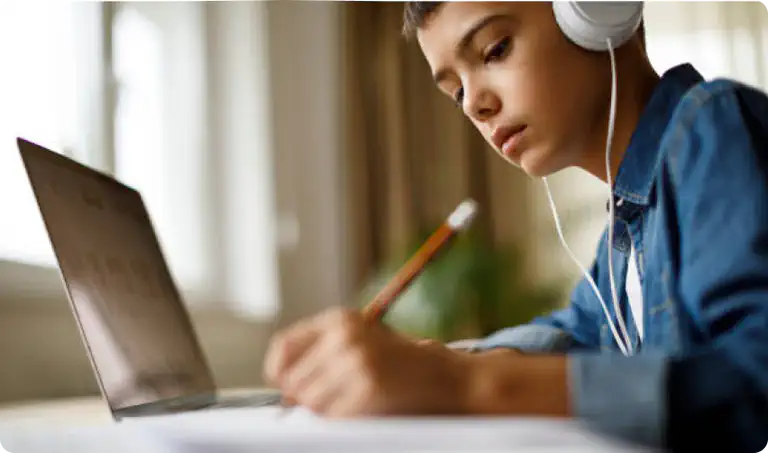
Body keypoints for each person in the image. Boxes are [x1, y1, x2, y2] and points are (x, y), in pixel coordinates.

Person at [264, 2, 768, 450]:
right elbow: (574, 331)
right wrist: (438, 362)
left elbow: (757, 383)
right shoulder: (630, 225)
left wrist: (462, 384)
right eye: (456, 92)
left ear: (598, 11)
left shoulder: (713, 127)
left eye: (495, 50)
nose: (474, 104)